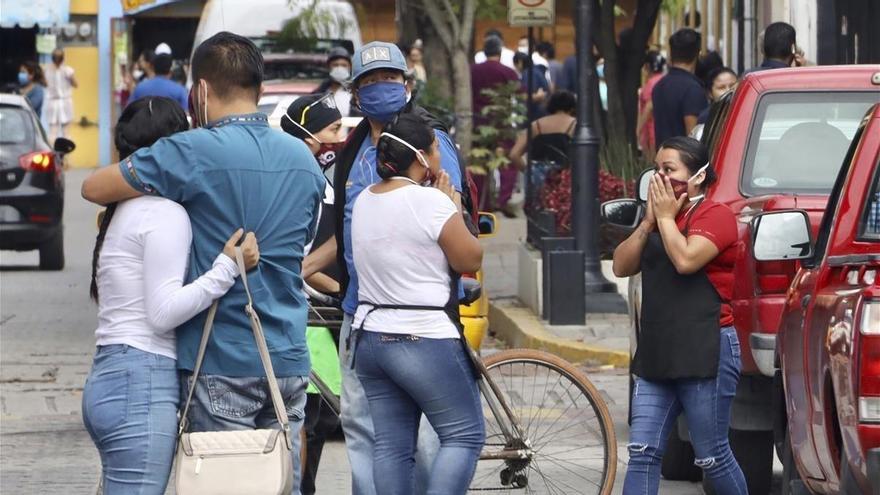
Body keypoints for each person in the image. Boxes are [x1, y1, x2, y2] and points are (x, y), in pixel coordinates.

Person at [81, 31, 325, 494]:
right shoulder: (304, 160)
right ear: (259, 86)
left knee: (224, 485)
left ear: (201, 91)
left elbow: (94, 188)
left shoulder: (189, 151)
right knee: (281, 483)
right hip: (289, 357)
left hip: (219, 357)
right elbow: (303, 245)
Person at [301, 40, 466, 495]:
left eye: (389, 79)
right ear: (355, 94)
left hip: (422, 316)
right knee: (366, 433)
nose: (380, 89)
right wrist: (303, 266)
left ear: (408, 85)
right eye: (369, 82)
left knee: (431, 437)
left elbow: (454, 225)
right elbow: (349, 228)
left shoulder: (429, 143)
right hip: (362, 313)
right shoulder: (353, 152)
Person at [82, 96, 260, 494]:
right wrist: (227, 268)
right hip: (140, 380)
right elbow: (162, 312)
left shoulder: (123, 209)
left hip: (113, 374)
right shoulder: (163, 212)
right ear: (174, 148)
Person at [351, 112, 485, 494]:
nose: (442, 158)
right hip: (422, 337)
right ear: (422, 157)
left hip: (372, 336)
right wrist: (453, 206)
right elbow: (469, 259)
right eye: (437, 150)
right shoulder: (431, 203)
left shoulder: (364, 200)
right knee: (464, 435)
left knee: (392, 446)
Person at [613, 136, 747, 495]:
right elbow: (621, 265)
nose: (659, 177)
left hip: (706, 348)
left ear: (699, 176)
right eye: (656, 169)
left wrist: (667, 219)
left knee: (712, 456)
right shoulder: (656, 220)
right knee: (642, 452)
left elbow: (686, 260)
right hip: (659, 350)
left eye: (669, 169)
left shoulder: (715, 216)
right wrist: (647, 224)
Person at [279, 93, 345, 495]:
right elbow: (301, 258)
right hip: (310, 317)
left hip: (324, 314)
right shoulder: (300, 178)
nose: (341, 137)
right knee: (307, 421)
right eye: (334, 129)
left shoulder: (318, 177)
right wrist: (337, 288)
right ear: (307, 133)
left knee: (318, 424)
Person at [470, 35, 520, 214]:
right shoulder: (507, 71)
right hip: (501, 123)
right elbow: (519, 91)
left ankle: (481, 204)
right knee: (507, 162)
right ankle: (503, 199)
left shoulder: (472, 70)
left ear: (484, 52)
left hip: (477, 123)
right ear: (500, 52)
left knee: (479, 165)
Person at [508, 90, 576, 214]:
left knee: (537, 217)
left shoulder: (536, 125)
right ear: (572, 107)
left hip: (537, 178)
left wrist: (529, 170)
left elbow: (514, 154)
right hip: (564, 178)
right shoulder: (575, 125)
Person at [651, 28, 707, 147]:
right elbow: (693, 138)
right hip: (684, 161)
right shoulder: (693, 89)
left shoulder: (659, 86)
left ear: (671, 54)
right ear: (698, 53)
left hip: (664, 158)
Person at [637, 51, 666, 163]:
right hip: (660, 127)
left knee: (651, 164)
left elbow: (649, 107)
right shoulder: (663, 80)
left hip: (651, 129)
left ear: (647, 66)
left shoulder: (652, 83)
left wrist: (638, 129)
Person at [44, 48, 78, 142]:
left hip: (52, 102)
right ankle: (65, 153)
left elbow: (44, 83)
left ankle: (53, 152)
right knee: (66, 132)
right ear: (63, 58)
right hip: (65, 102)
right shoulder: (68, 70)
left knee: (52, 132)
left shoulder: (46, 70)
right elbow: (75, 84)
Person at [314, 47, 354, 117]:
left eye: (344, 65)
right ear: (328, 67)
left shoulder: (356, 93)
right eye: (335, 65)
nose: (339, 68)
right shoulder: (319, 93)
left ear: (350, 67)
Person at [514, 51, 549, 123]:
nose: (516, 68)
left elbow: (532, 95)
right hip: (542, 112)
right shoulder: (536, 70)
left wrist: (519, 96)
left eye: (515, 65)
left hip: (534, 113)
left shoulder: (528, 73)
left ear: (520, 62)